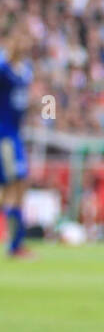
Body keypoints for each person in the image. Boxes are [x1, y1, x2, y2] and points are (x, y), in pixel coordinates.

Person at [0, 32, 34, 259]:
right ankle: (14, 245)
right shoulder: (3, 71)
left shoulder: (25, 71)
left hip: (16, 135)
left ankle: (17, 243)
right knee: (12, 186)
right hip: (5, 136)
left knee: (20, 185)